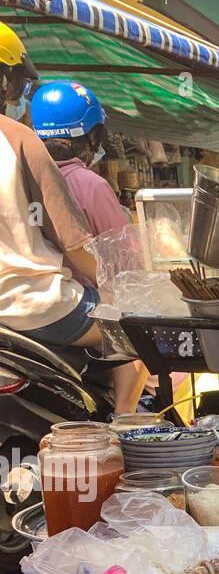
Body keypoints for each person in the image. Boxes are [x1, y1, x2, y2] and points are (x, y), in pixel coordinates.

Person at [0, 24, 144, 412]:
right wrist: (122, 292)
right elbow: (76, 245)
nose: (17, 96)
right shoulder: (18, 140)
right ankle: (124, 429)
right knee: (136, 338)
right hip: (35, 303)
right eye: (15, 84)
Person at [30, 81, 130, 287]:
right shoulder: (91, 185)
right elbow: (124, 259)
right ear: (92, 136)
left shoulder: (22, 177)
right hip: (82, 305)